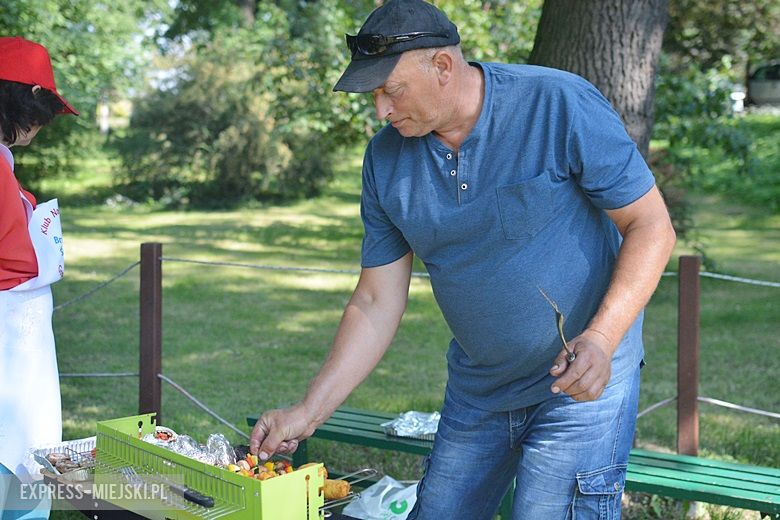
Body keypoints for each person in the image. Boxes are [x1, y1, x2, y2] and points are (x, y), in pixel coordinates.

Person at [250, 0, 676, 518]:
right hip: (479, 391)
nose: (381, 110)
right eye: (374, 95)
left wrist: (603, 339)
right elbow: (375, 300)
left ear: (443, 67)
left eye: (392, 90)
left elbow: (650, 226)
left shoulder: (557, 104)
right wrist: (308, 412)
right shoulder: (385, 160)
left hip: (581, 386)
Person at [0, 36, 79, 518]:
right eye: (42, 108)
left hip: (18, 356)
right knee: (21, 481)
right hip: (10, 358)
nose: (42, 124)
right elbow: (13, 260)